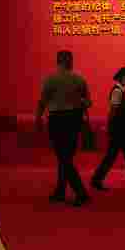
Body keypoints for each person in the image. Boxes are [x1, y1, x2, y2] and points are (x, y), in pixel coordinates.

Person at [36, 50, 92, 207]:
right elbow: (88, 103)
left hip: (57, 119)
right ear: (71, 61)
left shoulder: (51, 79)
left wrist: (38, 118)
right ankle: (60, 191)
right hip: (75, 120)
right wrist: (78, 101)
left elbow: (43, 101)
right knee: (66, 156)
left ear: (57, 61)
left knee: (63, 157)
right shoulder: (79, 79)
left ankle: (80, 193)